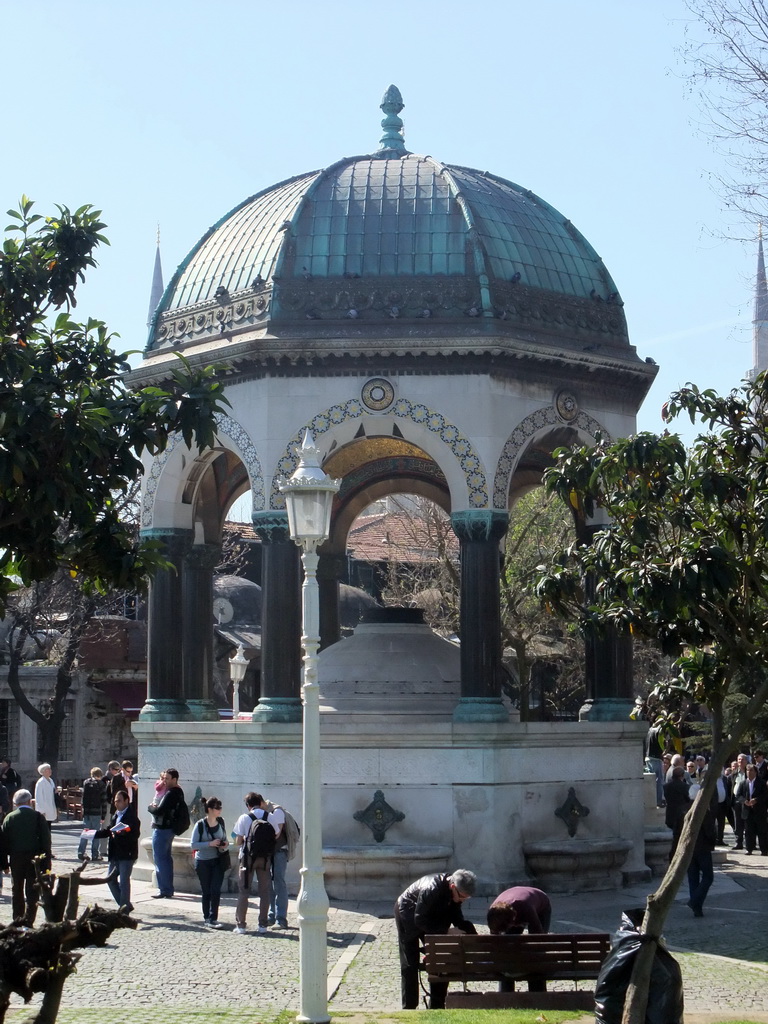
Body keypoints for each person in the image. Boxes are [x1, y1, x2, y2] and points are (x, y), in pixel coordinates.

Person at [394, 869, 478, 1009]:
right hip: (408, 913)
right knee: (410, 962)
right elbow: (420, 920)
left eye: (466, 898)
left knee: (440, 958)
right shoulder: (432, 889)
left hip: (431, 916)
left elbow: (456, 916)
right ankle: (409, 1006)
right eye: (462, 897)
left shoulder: (455, 893)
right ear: (453, 887)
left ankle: (437, 1004)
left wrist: (467, 930)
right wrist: (446, 931)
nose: (463, 900)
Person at [0, 788, 51, 924]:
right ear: (29, 801)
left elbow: (3, 843)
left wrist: (4, 864)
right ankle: (29, 920)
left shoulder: (9, 817)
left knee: (16, 889)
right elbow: (46, 842)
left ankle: (17, 919)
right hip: (35, 859)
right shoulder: (38, 816)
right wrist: (47, 863)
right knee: (32, 890)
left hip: (16, 858)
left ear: (15, 803)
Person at [232, 791, 277, 934]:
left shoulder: (244, 818)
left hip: (247, 859)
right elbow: (275, 835)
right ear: (260, 802)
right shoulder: (269, 816)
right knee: (264, 892)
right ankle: (263, 925)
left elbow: (238, 841)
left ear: (248, 805)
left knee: (244, 891)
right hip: (264, 858)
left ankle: (241, 926)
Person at [94, 789, 140, 912]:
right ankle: (125, 905)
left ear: (126, 801)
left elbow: (134, 835)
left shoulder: (132, 816)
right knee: (110, 879)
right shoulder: (116, 815)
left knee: (124, 881)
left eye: (119, 801)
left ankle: (123, 909)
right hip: (115, 854)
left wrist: (120, 834)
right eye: (115, 801)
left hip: (126, 854)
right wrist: (94, 834)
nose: (116, 803)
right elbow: (110, 830)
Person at [190, 796, 229, 928]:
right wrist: (210, 844)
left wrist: (225, 844)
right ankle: (207, 917)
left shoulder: (221, 822)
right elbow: (193, 844)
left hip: (218, 860)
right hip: (203, 862)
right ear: (210, 809)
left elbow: (225, 839)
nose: (220, 810)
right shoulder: (200, 825)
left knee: (216, 890)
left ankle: (213, 918)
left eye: (220, 807)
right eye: (217, 807)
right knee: (206, 891)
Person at [147, 767, 185, 898]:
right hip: (169, 829)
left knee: (160, 859)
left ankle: (164, 889)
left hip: (162, 828)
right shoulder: (178, 791)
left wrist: (150, 807)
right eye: (164, 778)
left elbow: (159, 810)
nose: (165, 781)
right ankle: (167, 888)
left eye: (168, 779)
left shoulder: (171, 793)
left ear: (174, 779)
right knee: (166, 859)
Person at [263, 796, 296, 929]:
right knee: (268, 883)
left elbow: (277, 833)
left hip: (279, 851)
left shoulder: (276, 811)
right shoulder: (264, 812)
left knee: (279, 882)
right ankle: (272, 915)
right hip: (269, 852)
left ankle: (281, 919)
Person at [687, 792, 717, 917]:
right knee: (708, 877)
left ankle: (697, 907)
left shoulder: (684, 810)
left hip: (689, 849)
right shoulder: (704, 812)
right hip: (703, 848)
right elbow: (710, 832)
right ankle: (695, 901)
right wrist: (712, 843)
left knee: (693, 878)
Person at [487, 885, 551, 934]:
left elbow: (538, 934)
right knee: (510, 939)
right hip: (516, 896)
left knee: (537, 941)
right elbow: (494, 936)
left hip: (541, 903)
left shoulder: (525, 907)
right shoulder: (493, 913)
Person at [78, 766, 109, 861]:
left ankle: (81, 852)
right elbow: (103, 801)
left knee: (86, 832)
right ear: (100, 775)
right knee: (95, 834)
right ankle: (95, 854)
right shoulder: (101, 784)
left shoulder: (86, 783)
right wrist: (103, 815)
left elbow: (83, 798)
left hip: (87, 812)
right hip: (96, 813)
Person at [743, 763, 768, 855]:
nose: (749, 772)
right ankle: (749, 849)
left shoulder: (761, 783)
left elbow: (765, 795)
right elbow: (738, 795)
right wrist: (744, 801)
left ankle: (764, 850)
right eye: (747, 770)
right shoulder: (743, 783)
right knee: (749, 831)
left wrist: (756, 800)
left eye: (751, 770)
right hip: (748, 811)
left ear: (756, 772)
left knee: (762, 831)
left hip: (759, 811)